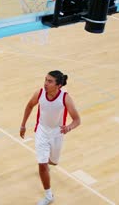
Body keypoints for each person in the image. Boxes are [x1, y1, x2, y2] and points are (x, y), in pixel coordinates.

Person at [20, 70, 81, 205]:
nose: (46, 83)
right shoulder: (40, 93)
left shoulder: (65, 98)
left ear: (58, 85)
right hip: (41, 131)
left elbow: (77, 120)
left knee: (52, 162)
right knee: (42, 164)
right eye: (45, 80)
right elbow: (29, 106)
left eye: (50, 81)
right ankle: (48, 196)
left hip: (57, 134)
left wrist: (69, 127)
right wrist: (23, 125)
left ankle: (46, 163)